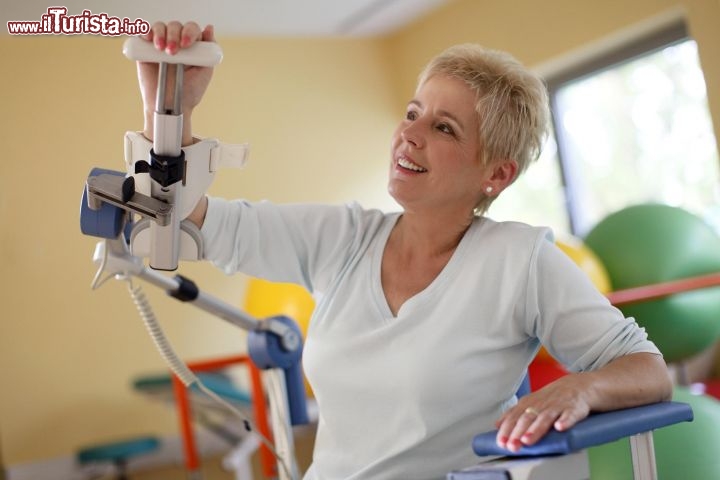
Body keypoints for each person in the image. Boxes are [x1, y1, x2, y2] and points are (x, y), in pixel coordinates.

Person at [136, 21, 673, 479]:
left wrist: (583, 388)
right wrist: (168, 112)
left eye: (443, 127)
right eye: (413, 112)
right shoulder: (345, 237)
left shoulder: (519, 261)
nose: (410, 135)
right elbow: (191, 221)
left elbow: (648, 370)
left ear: (496, 174)